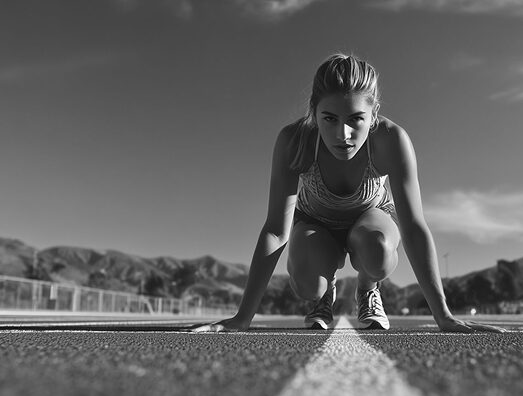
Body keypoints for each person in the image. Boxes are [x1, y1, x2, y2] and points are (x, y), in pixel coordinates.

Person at [194, 53, 505, 333]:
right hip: (316, 223)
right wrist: (242, 318)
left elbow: (413, 226)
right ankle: (323, 295)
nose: (343, 135)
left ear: (373, 116)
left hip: (372, 221)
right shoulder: (294, 140)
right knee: (306, 284)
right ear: (314, 113)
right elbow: (276, 230)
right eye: (329, 119)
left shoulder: (391, 140)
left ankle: (368, 288)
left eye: (356, 119)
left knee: (379, 250)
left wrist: (444, 316)